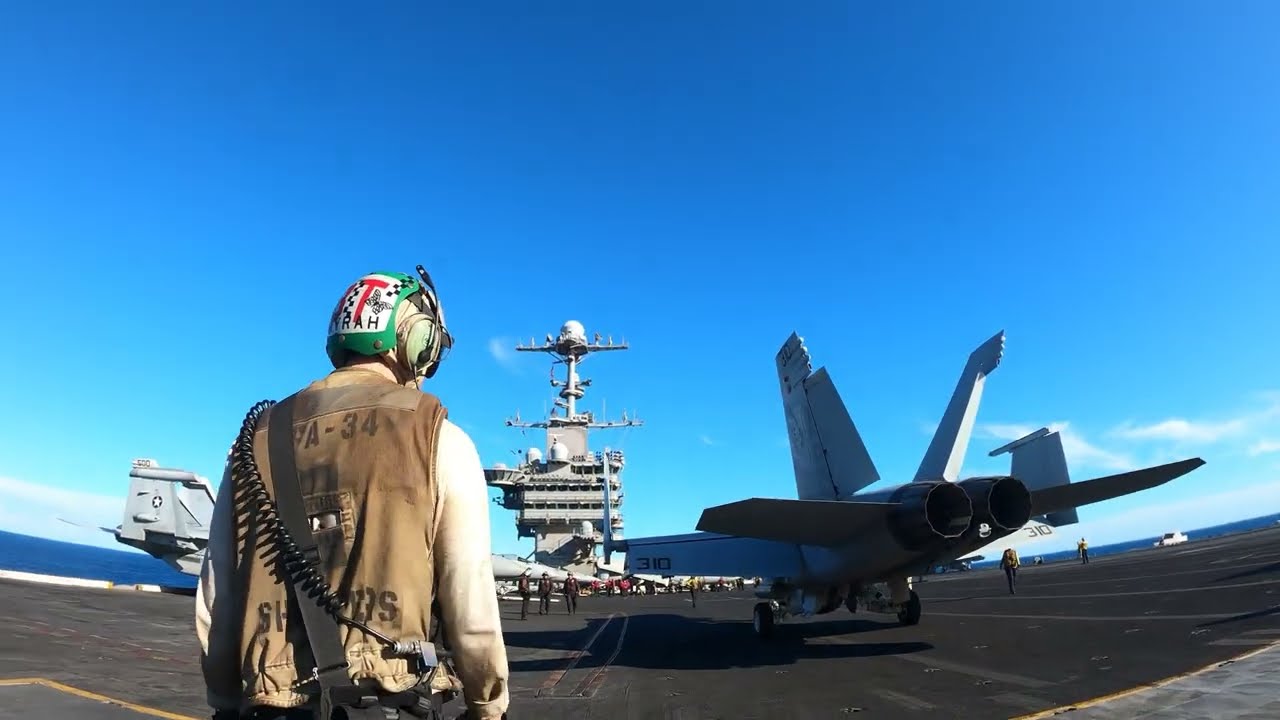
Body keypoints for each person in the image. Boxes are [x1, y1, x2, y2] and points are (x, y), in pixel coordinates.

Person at [196, 268, 509, 720]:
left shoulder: (255, 440)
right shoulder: (440, 439)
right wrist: (488, 705)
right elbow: (472, 604)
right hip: (389, 702)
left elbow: (216, 602)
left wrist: (226, 702)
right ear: (417, 341)